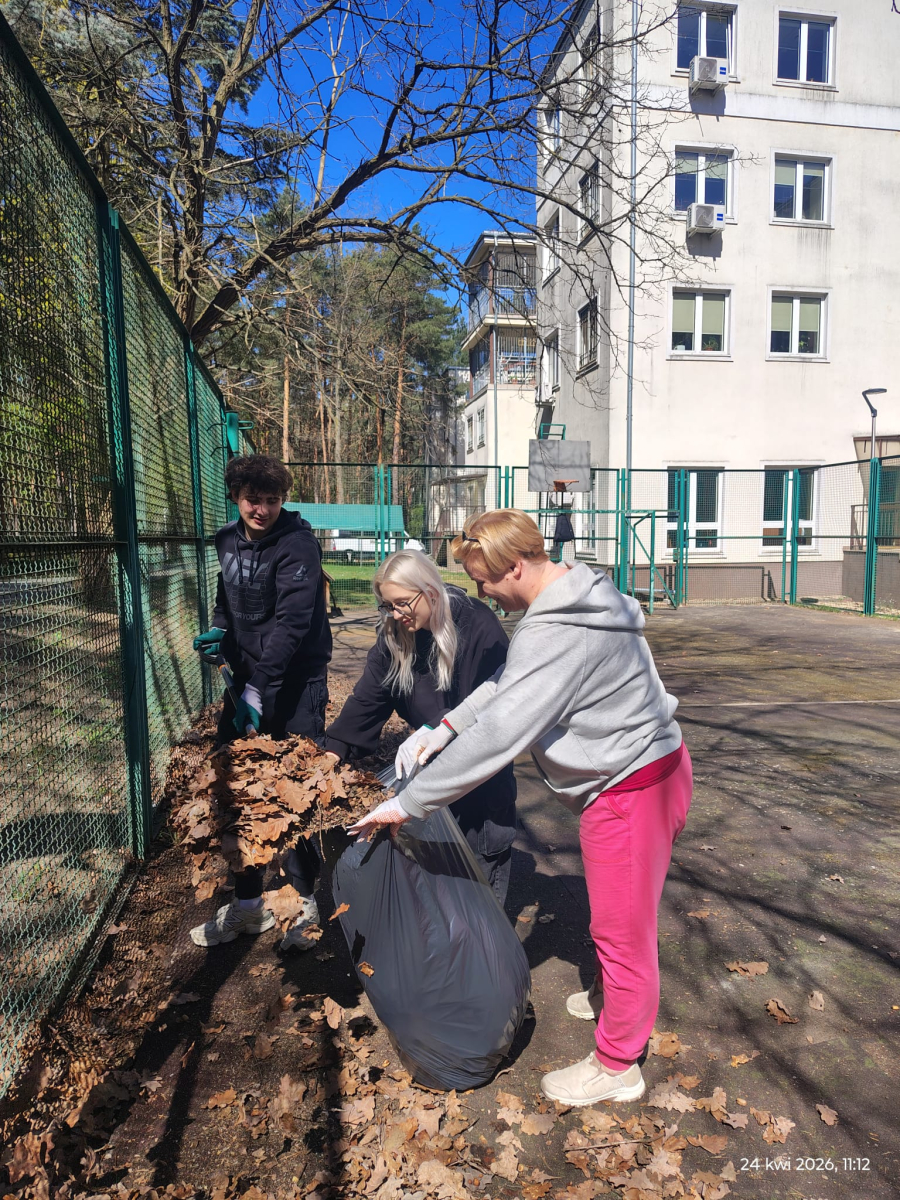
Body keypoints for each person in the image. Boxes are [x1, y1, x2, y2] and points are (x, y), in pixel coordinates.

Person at [349, 509, 691, 1107]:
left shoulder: (555, 630)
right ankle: (616, 999)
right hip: (651, 770)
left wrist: (410, 801)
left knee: (622, 932)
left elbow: (504, 731)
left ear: (515, 566)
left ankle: (618, 1065)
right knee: (620, 920)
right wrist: (446, 727)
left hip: (631, 790)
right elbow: (509, 682)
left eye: (483, 581)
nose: (481, 594)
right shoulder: (579, 592)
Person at [190, 455, 332, 951]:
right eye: (254, 499)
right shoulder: (226, 540)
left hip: (295, 684)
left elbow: (293, 626)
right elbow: (226, 600)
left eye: (273, 500)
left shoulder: (298, 545)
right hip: (247, 681)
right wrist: (220, 634)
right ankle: (248, 904)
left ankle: (302, 904)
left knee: (297, 789)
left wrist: (258, 688)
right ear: (236, 495)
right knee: (239, 787)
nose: (263, 510)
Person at [322, 549, 517, 903]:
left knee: (478, 899)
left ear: (430, 590)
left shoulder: (477, 625)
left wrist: (440, 729)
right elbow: (367, 700)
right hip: (429, 787)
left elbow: (497, 710)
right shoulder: (395, 635)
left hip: (481, 787)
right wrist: (332, 753)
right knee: (434, 898)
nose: (395, 614)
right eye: (388, 605)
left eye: (402, 603)